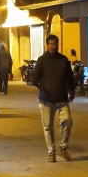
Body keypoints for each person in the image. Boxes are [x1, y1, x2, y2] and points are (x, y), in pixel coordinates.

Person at [34, 33, 75, 162]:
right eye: (50, 44)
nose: (52, 46)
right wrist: (42, 87)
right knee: (48, 127)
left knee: (67, 122)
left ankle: (63, 147)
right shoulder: (41, 60)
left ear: (58, 45)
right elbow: (34, 78)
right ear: (47, 45)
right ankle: (51, 152)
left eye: (54, 43)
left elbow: (70, 77)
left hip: (62, 99)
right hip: (46, 100)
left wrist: (72, 90)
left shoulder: (63, 60)